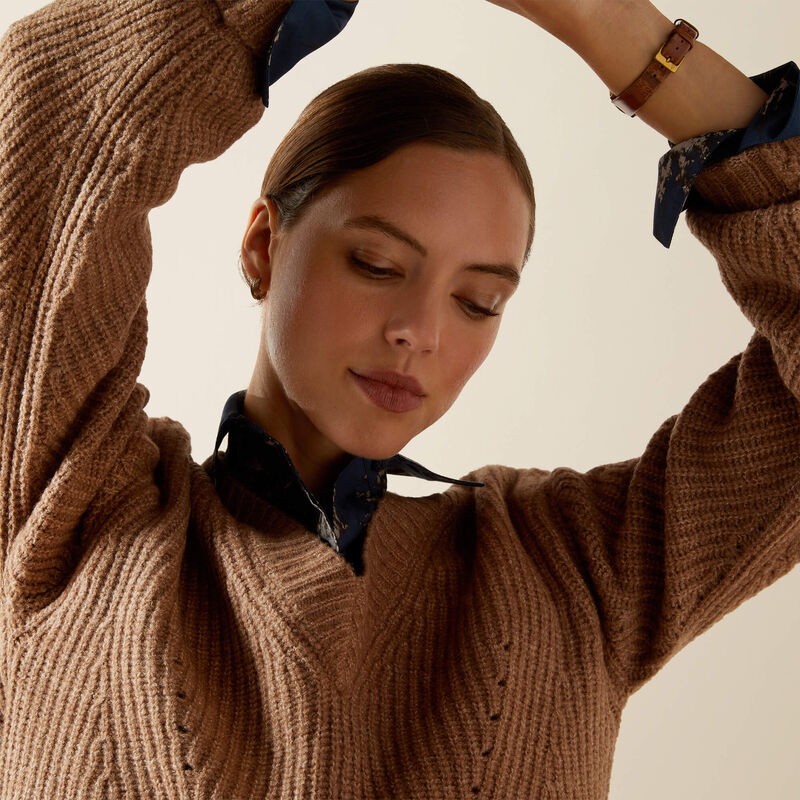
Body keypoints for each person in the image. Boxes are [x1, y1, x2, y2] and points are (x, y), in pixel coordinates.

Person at [0, 0, 797, 797]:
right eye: (378, 265)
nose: (420, 331)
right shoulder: (71, 506)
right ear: (262, 246)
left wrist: (611, 24)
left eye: (478, 301)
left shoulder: (579, 571)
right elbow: (50, 122)